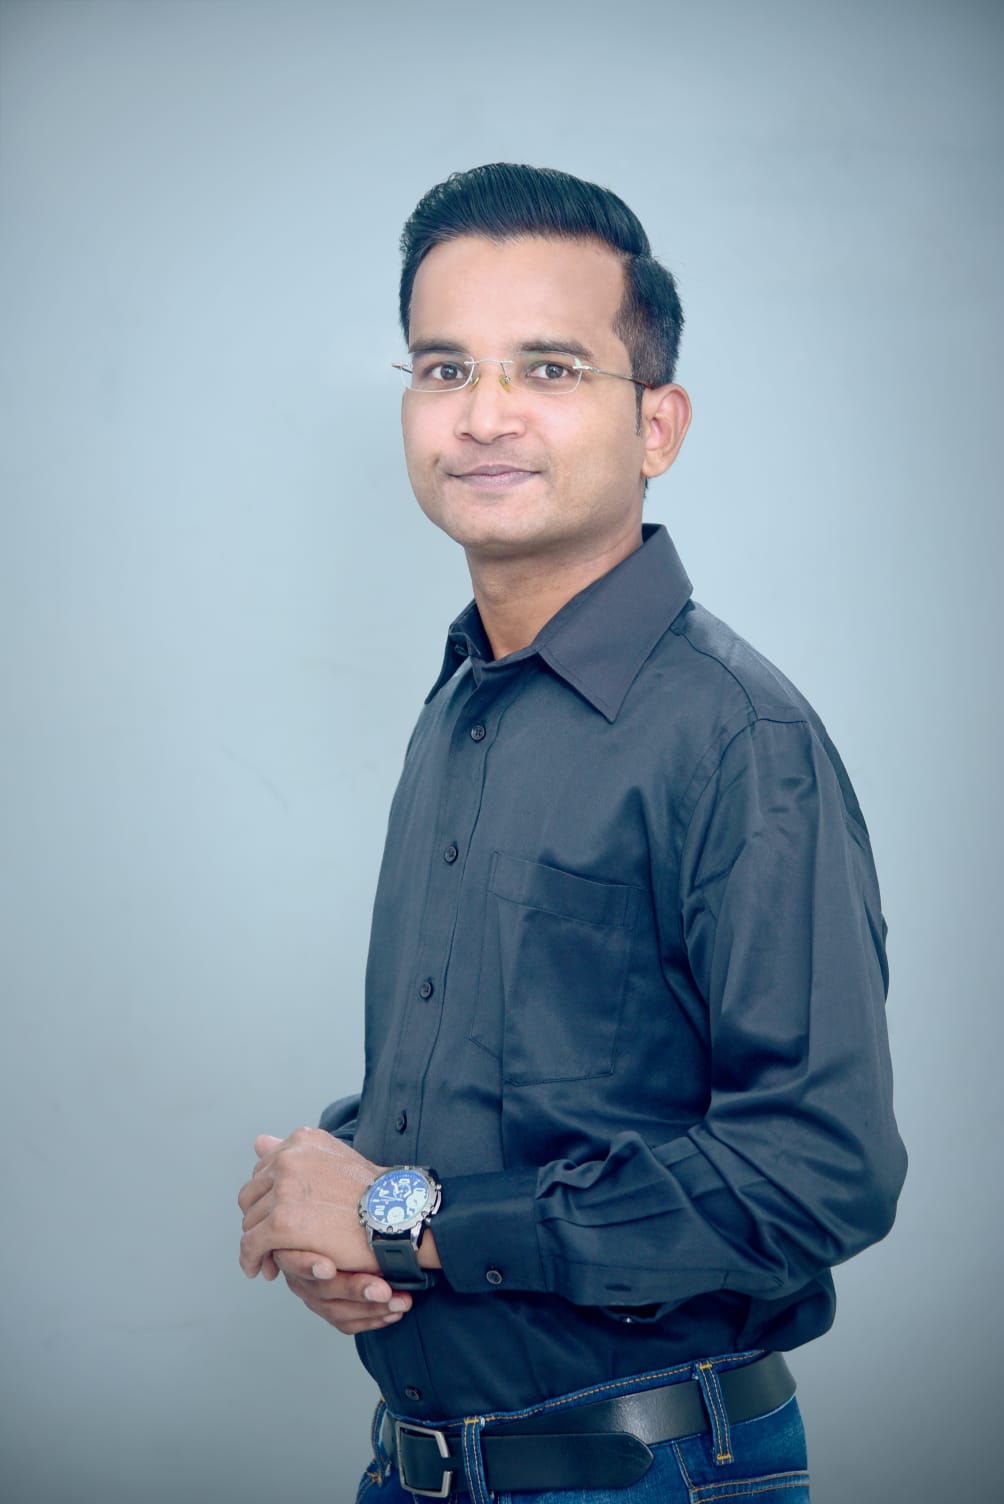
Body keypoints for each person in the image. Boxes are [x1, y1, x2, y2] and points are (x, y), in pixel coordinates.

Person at [238, 163, 907, 1503]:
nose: (483, 414)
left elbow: (821, 1170)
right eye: (444, 368)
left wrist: (404, 1223)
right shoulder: (465, 705)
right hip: (423, 1467)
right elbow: (534, 1080)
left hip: (643, 1471)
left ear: (658, 424)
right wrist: (335, 1191)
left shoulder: (736, 737)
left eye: (548, 368)